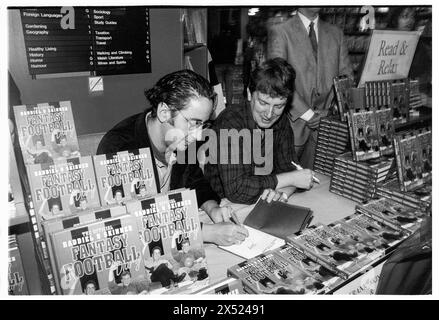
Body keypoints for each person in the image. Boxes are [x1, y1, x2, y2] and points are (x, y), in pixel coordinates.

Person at [97, 69, 248, 246]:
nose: (198, 135)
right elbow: (130, 221)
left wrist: (212, 208)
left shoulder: (179, 139)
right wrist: (206, 232)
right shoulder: (119, 148)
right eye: (193, 123)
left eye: (203, 124)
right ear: (164, 113)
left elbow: (195, 181)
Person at [205, 58, 315, 205]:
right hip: (224, 205)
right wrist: (290, 180)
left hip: (263, 199)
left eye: (279, 106)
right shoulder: (230, 123)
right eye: (263, 103)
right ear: (250, 94)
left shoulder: (281, 121)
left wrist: (283, 193)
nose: (269, 114)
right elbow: (237, 190)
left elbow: (290, 169)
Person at [267, 7, 353, 169]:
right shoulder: (281, 32)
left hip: (328, 130)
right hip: (291, 128)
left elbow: (347, 80)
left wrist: (331, 113)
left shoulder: (336, 33)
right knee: (287, 183)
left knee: (321, 186)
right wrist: (310, 115)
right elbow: (278, 80)